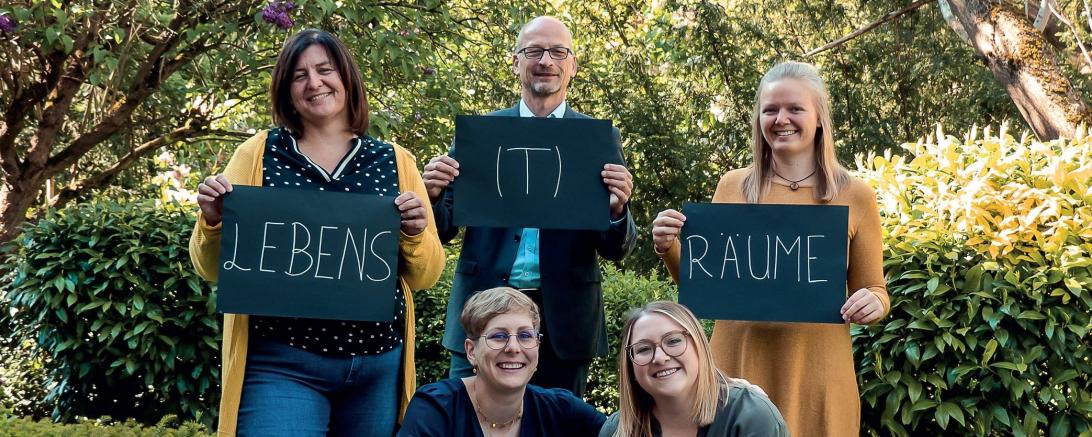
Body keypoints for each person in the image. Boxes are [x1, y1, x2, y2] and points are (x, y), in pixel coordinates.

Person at [189, 29, 444, 437]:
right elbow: (210, 268)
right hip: (283, 363)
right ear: (287, 90)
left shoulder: (395, 161)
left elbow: (426, 275)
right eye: (299, 75)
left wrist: (414, 233)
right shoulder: (258, 153)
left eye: (325, 70)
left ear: (347, 78)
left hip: (378, 367)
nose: (314, 83)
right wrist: (215, 221)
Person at [650, 61, 889, 436]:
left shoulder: (855, 196)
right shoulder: (732, 186)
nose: (782, 119)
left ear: (819, 118)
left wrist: (874, 302)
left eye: (795, 108)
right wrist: (669, 247)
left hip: (817, 371)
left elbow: (874, 288)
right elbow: (705, 283)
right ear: (758, 119)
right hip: (736, 365)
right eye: (770, 109)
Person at [422, 16, 637, 396]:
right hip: (481, 311)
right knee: (469, 420)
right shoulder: (480, 134)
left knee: (556, 425)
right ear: (516, 62)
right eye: (534, 51)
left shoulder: (596, 138)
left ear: (572, 66)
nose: (545, 61)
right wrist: (433, 195)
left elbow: (616, 247)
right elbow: (442, 229)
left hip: (565, 323)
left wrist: (617, 211)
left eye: (557, 52)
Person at [397, 287, 606, 437]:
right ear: (471, 351)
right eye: (499, 336)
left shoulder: (561, 409)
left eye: (525, 336)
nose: (513, 348)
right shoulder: (437, 409)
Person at [599, 301, 788, 437]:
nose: (660, 357)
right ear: (629, 365)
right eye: (643, 349)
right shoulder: (617, 429)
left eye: (673, 341)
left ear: (699, 345)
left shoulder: (750, 417)